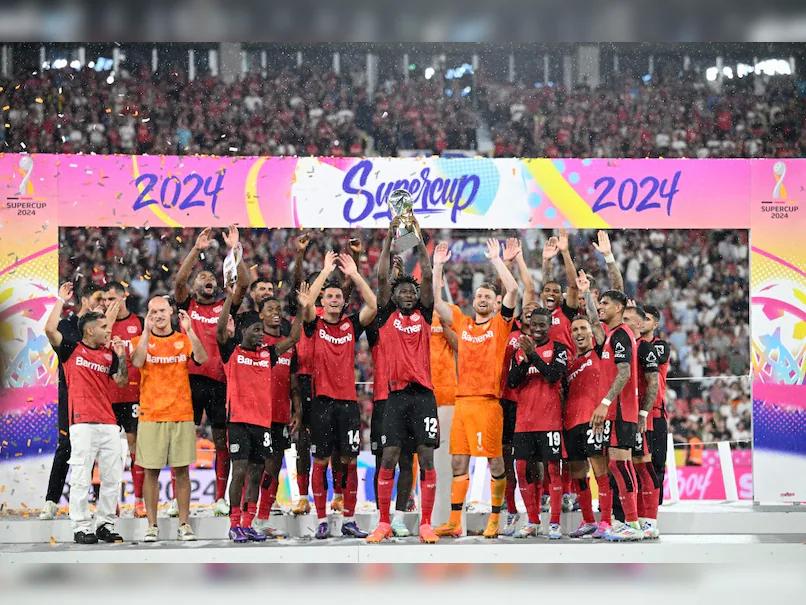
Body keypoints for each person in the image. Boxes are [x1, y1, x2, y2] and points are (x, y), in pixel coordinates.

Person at [432, 238, 520, 538]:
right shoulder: (463, 322)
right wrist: (437, 267)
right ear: (472, 300)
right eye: (479, 295)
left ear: (494, 303)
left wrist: (496, 260)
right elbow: (437, 303)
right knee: (458, 461)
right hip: (462, 403)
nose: (482, 298)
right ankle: (456, 523)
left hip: (487, 403)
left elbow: (513, 291)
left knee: (495, 461)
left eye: (487, 296)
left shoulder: (500, 326)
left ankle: (495, 518)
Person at [366, 215, 439, 544]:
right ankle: (383, 522)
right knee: (390, 457)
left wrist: (418, 238)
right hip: (395, 398)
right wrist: (389, 239)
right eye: (404, 292)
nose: (409, 295)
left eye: (413, 291)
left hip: (424, 396)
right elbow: (382, 277)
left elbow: (427, 272)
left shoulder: (424, 313)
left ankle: (425, 523)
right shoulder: (385, 316)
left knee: (425, 458)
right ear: (394, 298)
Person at [216, 283, 306, 542]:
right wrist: (229, 299)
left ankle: (248, 523)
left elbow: (294, 338)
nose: (260, 336)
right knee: (241, 471)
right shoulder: (232, 352)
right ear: (243, 331)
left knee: (257, 474)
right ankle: (234, 524)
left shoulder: (269, 354)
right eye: (255, 331)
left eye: (261, 332)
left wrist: (301, 308)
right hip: (238, 422)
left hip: (263, 424)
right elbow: (221, 330)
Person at [44, 283, 128, 544]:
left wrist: (122, 357)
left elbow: (122, 381)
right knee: (81, 476)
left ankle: (105, 524)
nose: (109, 331)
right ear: (90, 330)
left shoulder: (108, 354)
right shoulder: (70, 349)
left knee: (112, 478)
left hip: (108, 423)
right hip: (81, 423)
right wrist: (60, 299)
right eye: (104, 327)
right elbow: (49, 329)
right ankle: (81, 527)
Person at [302, 249, 377, 539]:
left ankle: (348, 518)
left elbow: (372, 304)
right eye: (329, 297)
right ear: (323, 302)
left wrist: (355, 275)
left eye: (337, 297)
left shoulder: (351, 324)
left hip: (347, 404)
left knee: (349, 461)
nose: (334, 300)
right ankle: (321, 518)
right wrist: (324, 270)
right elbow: (307, 303)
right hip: (322, 403)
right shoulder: (314, 324)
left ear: (344, 302)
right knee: (320, 461)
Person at [174, 226, 244, 516]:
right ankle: (180, 502)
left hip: (219, 382)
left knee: (220, 441)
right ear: (193, 288)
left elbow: (238, 287)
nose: (208, 280)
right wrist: (196, 249)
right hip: (188, 379)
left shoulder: (223, 306)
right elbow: (179, 280)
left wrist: (235, 252)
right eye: (202, 277)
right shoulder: (187, 303)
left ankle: (219, 498)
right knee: (183, 440)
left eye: (212, 278)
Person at [131, 295, 208, 542]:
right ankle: (152, 525)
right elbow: (138, 361)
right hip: (151, 415)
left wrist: (191, 331)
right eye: (153, 312)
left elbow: (202, 358)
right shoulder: (140, 341)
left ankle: (184, 524)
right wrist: (145, 332)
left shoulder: (182, 340)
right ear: (148, 316)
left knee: (182, 472)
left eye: (163, 311)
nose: (159, 316)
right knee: (151, 472)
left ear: (171, 313)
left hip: (181, 413)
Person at [39, 283, 106, 520]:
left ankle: (92, 506)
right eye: (99, 299)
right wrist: (60, 300)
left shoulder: (102, 329)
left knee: (96, 451)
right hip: (70, 395)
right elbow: (49, 331)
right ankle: (51, 500)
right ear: (85, 300)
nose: (103, 304)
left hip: (99, 397)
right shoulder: (68, 327)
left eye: (106, 301)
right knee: (65, 447)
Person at [507, 307, 568, 539]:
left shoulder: (559, 349)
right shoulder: (520, 352)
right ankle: (532, 520)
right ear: (529, 326)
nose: (539, 329)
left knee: (553, 471)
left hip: (550, 421)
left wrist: (532, 355)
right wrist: (525, 358)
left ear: (550, 325)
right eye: (535, 325)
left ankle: (553, 522)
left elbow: (553, 375)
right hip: (524, 421)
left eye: (543, 325)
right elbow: (513, 382)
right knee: (522, 470)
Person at [588, 288, 643, 541]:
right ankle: (631, 522)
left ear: (619, 308)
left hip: (622, 410)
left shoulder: (621, 335)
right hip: (616, 411)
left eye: (605, 303)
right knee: (615, 465)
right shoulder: (612, 335)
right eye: (600, 302)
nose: (601, 307)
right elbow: (591, 320)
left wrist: (605, 402)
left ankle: (633, 523)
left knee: (621, 464)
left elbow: (625, 373)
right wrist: (587, 294)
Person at [366, 254, 416, 537]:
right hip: (383, 401)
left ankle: (398, 516)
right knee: (382, 461)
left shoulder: (411, 323)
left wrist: (402, 274)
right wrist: (393, 276)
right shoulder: (378, 327)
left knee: (407, 460)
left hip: (407, 397)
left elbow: (405, 294)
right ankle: (381, 514)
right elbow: (385, 289)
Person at [563, 270, 609, 539]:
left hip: (593, 421)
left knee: (600, 469)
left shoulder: (599, 351)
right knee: (578, 472)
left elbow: (594, 319)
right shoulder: (568, 363)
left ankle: (605, 520)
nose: (579, 333)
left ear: (591, 333)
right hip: (571, 423)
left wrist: (585, 294)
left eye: (583, 329)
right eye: (575, 330)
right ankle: (588, 520)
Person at [253, 294, 303, 536]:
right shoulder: (253, 342)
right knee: (253, 467)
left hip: (280, 414)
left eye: (278, 308)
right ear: (260, 314)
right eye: (269, 308)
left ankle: (262, 518)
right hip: (255, 414)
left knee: (273, 467)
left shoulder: (288, 347)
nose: (275, 312)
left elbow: (293, 382)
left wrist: (297, 410)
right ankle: (245, 516)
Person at [102, 281, 146, 518]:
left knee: (134, 448)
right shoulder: (100, 325)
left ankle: (139, 500)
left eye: (111, 299)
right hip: (107, 396)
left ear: (123, 297)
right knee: (109, 452)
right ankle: (111, 503)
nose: (107, 304)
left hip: (133, 395)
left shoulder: (138, 323)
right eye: (105, 300)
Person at [623, 302, 663, 539]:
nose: (623, 323)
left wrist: (643, 415)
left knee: (643, 466)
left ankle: (650, 521)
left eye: (628, 319)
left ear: (638, 324)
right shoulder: (629, 345)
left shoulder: (645, 348)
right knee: (630, 468)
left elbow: (653, 384)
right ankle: (635, 519)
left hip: (639, 419)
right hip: (625, 417)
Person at [642, 305, 671, 510]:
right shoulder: (630, 344)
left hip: (656, 412)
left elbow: (652, 358)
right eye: (640, 318)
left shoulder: (660, 345)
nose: (643, 321)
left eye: (647, 318)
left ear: (656, 323)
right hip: (634, 412)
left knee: (657, 462)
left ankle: (655, 508)